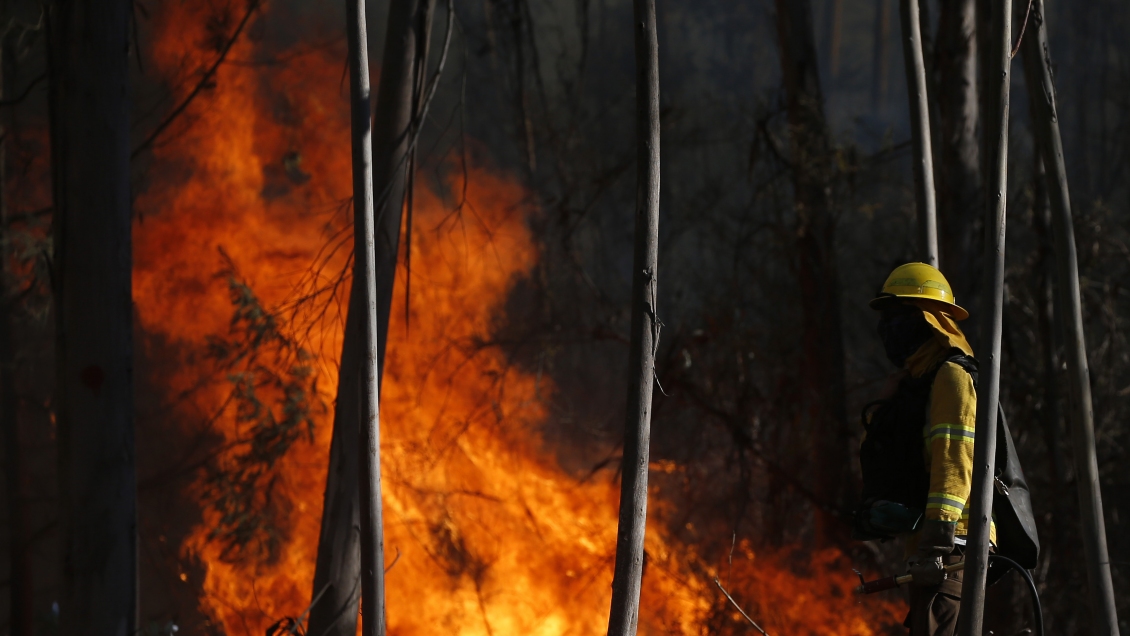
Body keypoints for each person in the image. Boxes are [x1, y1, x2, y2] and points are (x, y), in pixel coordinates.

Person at [858, 262, 996, 636]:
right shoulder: (914, 385)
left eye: (899, 315)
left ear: (928, 320)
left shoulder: (951, 376)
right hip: (931, 551)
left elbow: (955, 463)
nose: (888, 327)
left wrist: (936, 545)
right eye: (885, 317)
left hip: (954, 547)